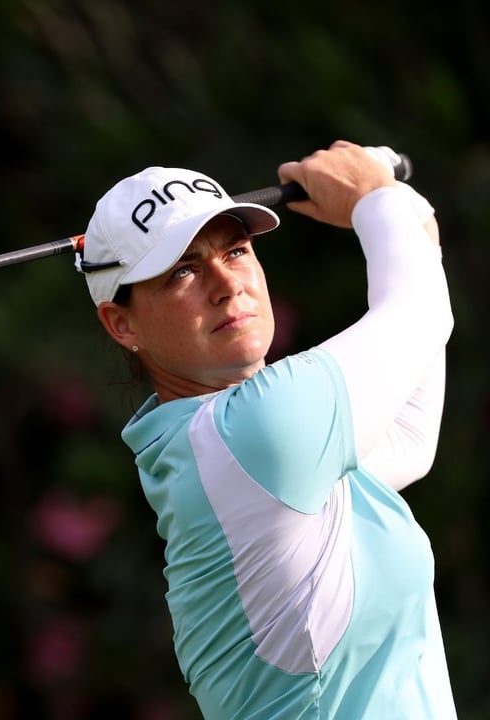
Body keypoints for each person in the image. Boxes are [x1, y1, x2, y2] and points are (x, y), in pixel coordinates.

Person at [76, 141, 456, 717]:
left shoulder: (216, 453)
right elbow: (422, 312)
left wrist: (407, 216)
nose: (226, 284)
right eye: (183, 270)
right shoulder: (252, 432)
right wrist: (374, 197)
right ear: (122, 323)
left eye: (236, 250)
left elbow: (407, 438)